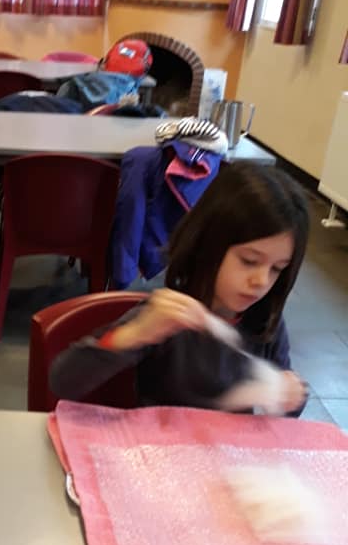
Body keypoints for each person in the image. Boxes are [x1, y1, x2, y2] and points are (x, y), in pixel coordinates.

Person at [50, 163, 309, 415]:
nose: (261, 280)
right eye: (249, 261)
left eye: (277, 268)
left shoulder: (265, 322)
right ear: (209, 246)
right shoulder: (169, 316)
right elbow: (63, 380)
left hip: (232, 444)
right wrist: (137, 333)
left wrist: (291, 396)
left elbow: (286, 415)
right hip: (159, 439)